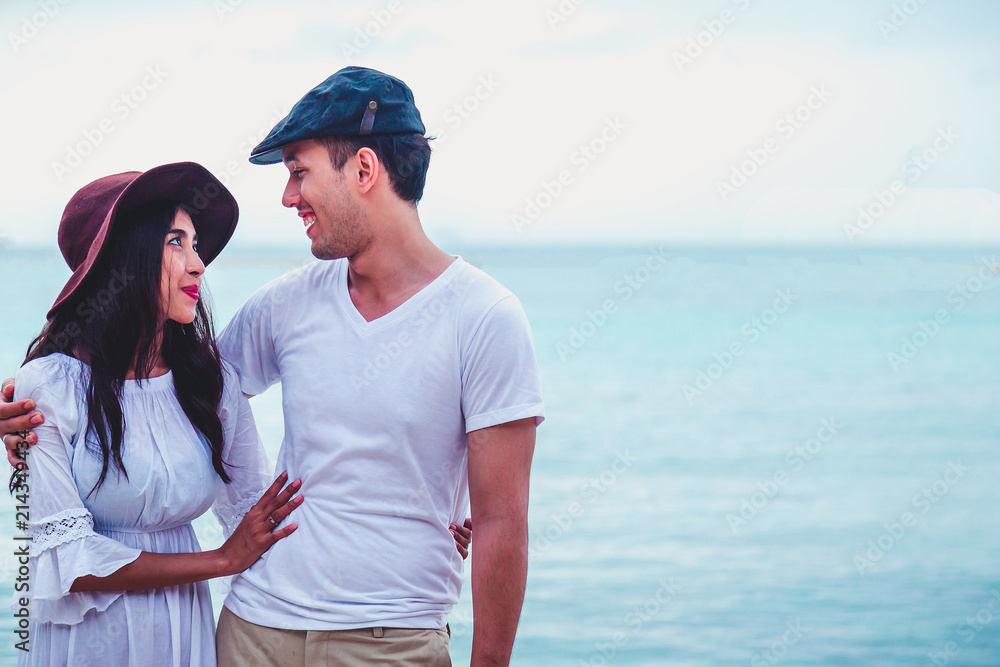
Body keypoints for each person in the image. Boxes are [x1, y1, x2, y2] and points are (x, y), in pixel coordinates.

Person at [6, 66, 535, 666]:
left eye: (298, 172)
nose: (288, 197)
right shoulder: (286, 304)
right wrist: (27, 414)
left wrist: (465, 525)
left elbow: (502, 522)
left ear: (363, 170)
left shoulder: (486, 317)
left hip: (390, 639)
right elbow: (164, 387)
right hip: (253, 630)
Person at [6, 162, 304, 667]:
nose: (198, 265)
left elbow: (261, 515)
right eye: (175, 243)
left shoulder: (210, 381)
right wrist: (220, 560)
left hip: (181, 629)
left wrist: (428, 532)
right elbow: (67, 560)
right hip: (87, 639)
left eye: (194, 245)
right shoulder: (48, 387)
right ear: (125, 259)